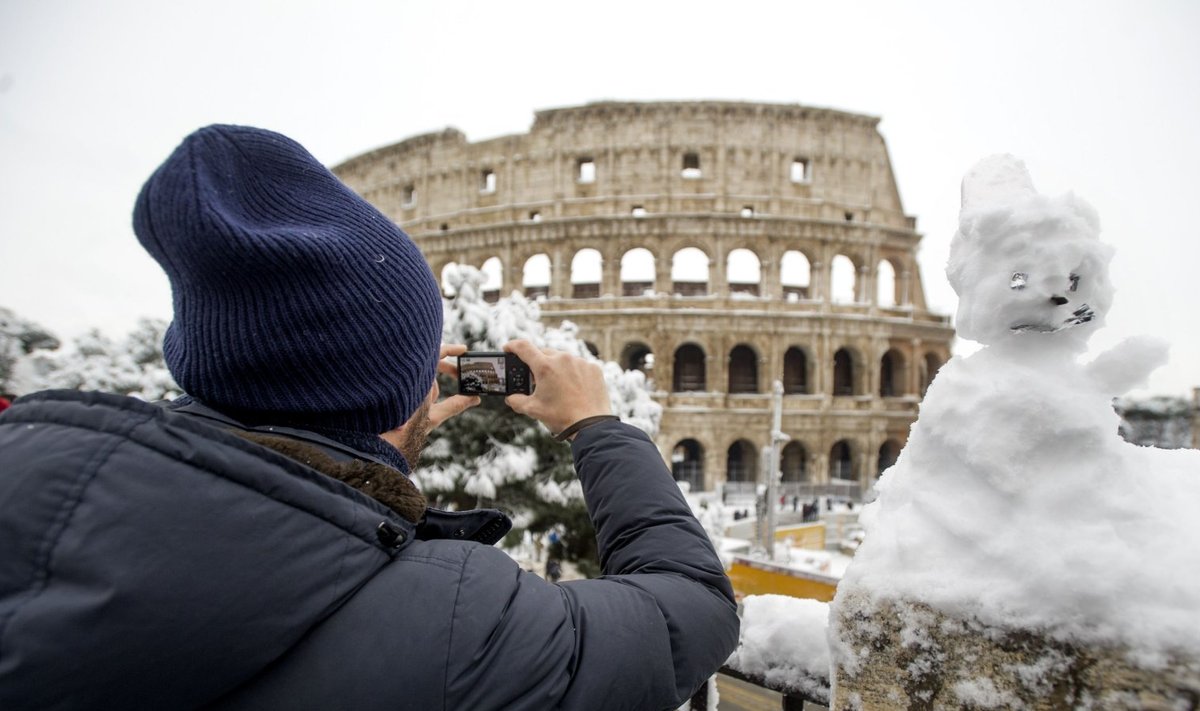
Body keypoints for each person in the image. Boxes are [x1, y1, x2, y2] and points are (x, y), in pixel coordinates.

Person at [0, 125, 739, 710]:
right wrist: (596, 427)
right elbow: (693, 605)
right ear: (396, 389)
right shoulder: (456, 623)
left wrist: (368, 457)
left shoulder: (27, 486)